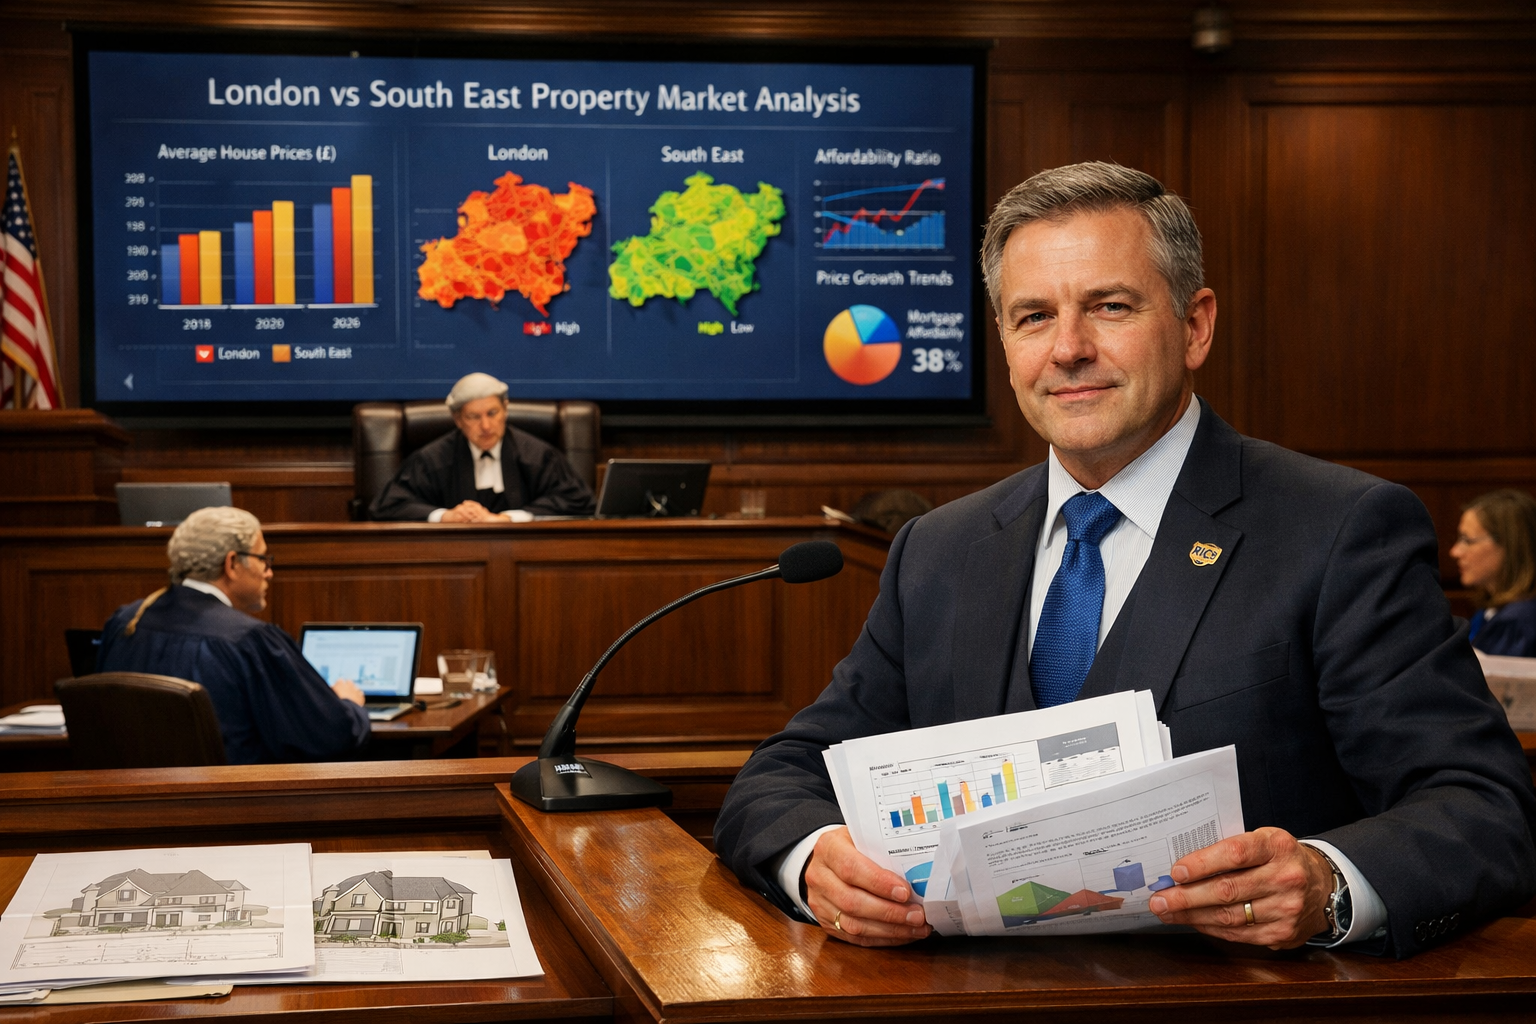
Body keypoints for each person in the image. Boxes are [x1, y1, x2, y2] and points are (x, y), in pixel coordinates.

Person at [714, 162, 1536, 959]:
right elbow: (781, 775)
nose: (1068, 348)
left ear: (1195, 324)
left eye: (1109, 306)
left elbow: (1485, 808)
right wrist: (816, 858)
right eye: (1033, 316)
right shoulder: (940, 550)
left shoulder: (1341, 529)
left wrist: (1327, 885)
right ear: (1003, 341)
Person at [96, 506, 372, 764]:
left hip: (127, 807)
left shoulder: (126, 620)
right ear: (232, 563)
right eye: (263, 559)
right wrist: (349, 704)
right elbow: (329, 737)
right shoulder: (248, 639)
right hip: (230, 806)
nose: (269, 572)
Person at [369, 373, 596, 522]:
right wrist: (445, 516)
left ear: (505, 410)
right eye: (473, 417)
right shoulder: (432, 460)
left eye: (492, 413)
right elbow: (386, 506)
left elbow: (581, 503)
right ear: (457, 420)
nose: (486, 426)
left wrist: (509, 519)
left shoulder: (537, 455)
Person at [1451, 489, 1536, 657]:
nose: (1455, 552)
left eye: (1467, 540)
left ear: (1509, 546)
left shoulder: (1518, 623)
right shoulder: (1491, 611)